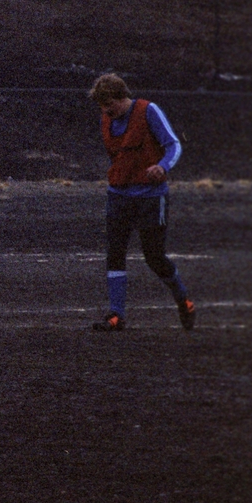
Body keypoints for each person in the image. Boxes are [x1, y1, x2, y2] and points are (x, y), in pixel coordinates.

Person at [88, 73, 195, 332]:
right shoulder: (107, 119)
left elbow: (173, 145)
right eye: (102, 106)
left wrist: (162, 166)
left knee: (154, 257)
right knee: (115, 253)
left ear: (121, 97)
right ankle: (117, 315)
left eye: (108, 104)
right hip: (119, 195)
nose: (105, 110)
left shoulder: (148, 111)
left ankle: (184, 300)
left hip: (150, 196)